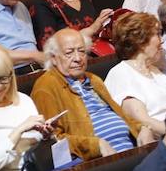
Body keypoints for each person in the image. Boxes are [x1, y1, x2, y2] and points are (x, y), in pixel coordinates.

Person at [31, 27, 154, 160]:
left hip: (130, 152)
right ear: (54, 58)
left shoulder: (94, 79)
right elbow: (53, 139)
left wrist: (142, 128)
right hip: (94, 163)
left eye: (82, 51)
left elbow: (122, 117)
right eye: (69, 53)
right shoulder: (46, 86)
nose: (78, 58)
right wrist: (95, 145)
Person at [105, 12, 166, 136]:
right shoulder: (121, 74)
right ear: (141, 41)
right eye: (157, 34)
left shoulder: (155, 71)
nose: (162, 41)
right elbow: (142, 120)